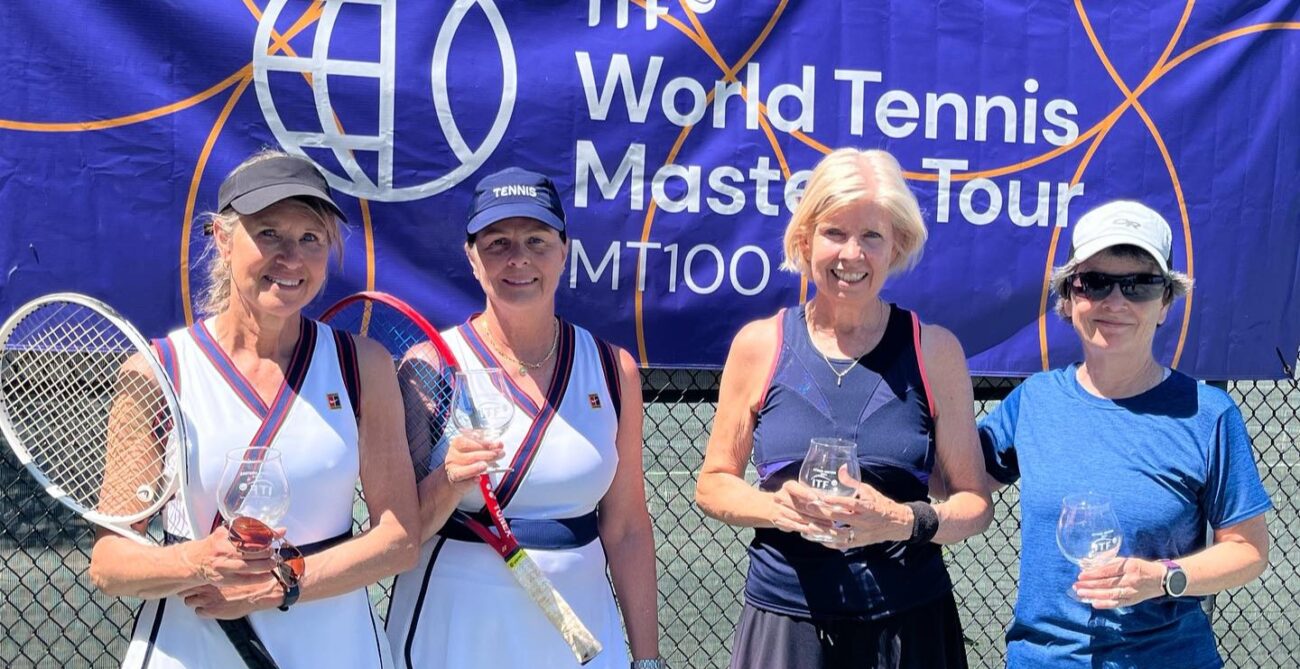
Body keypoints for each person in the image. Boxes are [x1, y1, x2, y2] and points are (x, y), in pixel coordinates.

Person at [89, 151, 420, 668]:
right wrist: (195, 560)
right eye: (268, 233)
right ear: (223, 240)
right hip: (192, 647)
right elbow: (109, 564)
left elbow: (399, 540)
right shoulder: (157, 371)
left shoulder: (363, 365)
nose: (291, 257)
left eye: (310, 238)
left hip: (334, 647)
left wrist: (282, 585)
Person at [695, 148, 992, 669]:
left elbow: (974, 504)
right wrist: (775, 507)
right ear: (805, 240)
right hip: (786, 623)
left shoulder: (934, 350)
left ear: (896, 244)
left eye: (871, 236)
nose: (851, 254)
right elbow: (714, 481)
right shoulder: (759, 344)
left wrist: (900, 520)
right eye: (835, 232)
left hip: (909, 627)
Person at [384, 168, 664, 669]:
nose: (519, 259)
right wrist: (449, 482)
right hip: (452, 633)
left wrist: (646, 660)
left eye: (537, 240)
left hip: (578, 636)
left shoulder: (610, 368)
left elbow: (626, 530)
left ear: (564, 251)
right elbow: (400, 534)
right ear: (471, 258)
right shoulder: (428, 367)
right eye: (496, 242)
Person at [979, 199, 1272, 668]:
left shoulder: (1208, 414)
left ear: (1165, 304)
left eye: (1138, 284)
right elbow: (950, 479)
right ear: (1070, 298)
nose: (1115, 302)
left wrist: (1161, 577)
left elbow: (1248, 550)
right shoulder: (1034, 402)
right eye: (1095, 282)